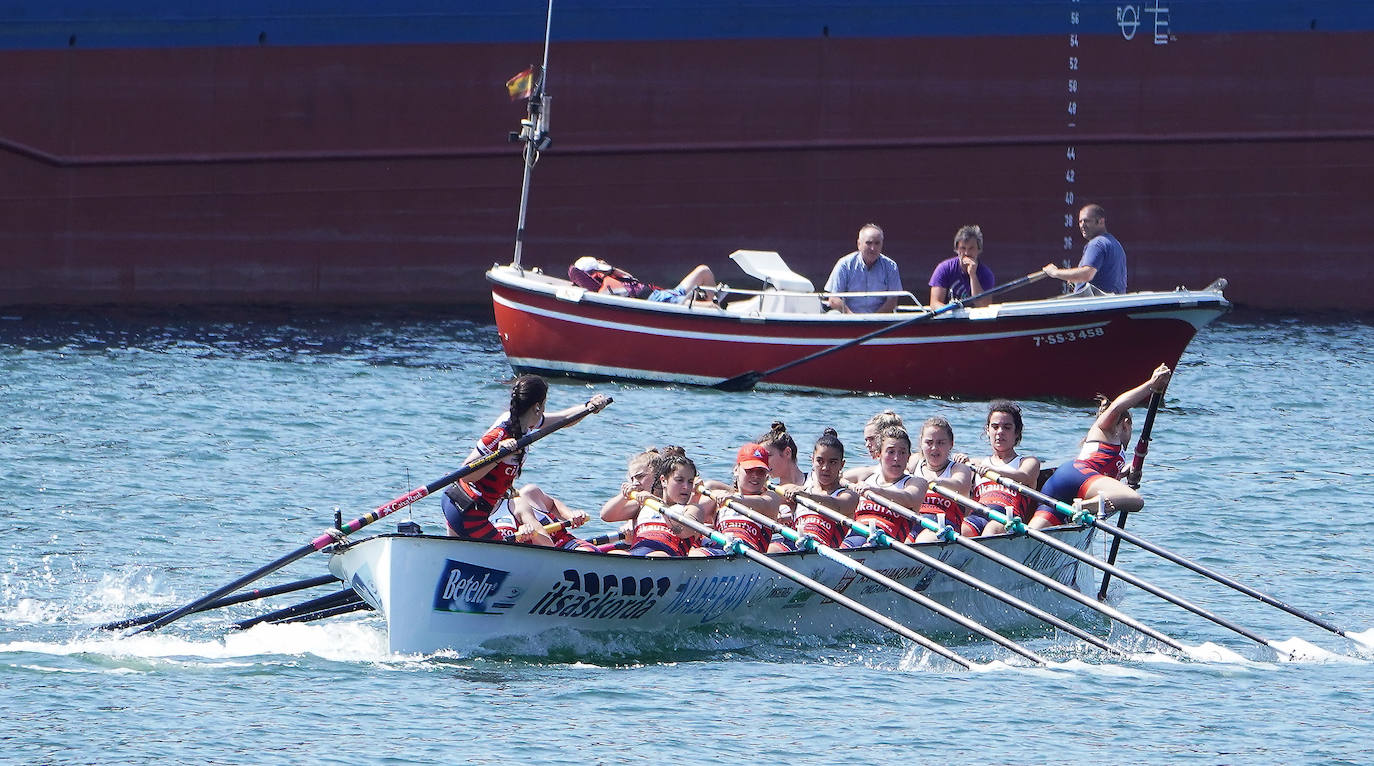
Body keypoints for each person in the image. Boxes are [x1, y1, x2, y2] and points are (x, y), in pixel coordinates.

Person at [441, 374, 610, 539]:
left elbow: (564, 419)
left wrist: (588, 407)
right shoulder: (502, 430)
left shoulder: (526, 423)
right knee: (505, 557)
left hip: (471, 508)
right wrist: (498, 456)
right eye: (545, 403)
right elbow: (466, 473)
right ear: (538, 406)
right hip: (467, 508)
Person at [1031, 364, 1172, 529]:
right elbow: (1117, 407)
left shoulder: (1111, 452)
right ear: (1126, 424)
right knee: (1135, 501)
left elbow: (1102, 470)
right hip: (1077, 475)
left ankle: (1076, 508)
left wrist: (1126, 472)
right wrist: (1150, 386)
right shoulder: (1105, 430)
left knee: (1031, 535)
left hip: (1062, 485)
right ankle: (1083, 507)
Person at [955, 401, 1041, 536]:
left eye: (1007, 427)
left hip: (1008, 518)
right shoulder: (975, 463)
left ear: (1017, 432)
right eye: (995, 427)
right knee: (960, 530)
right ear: (987, 431)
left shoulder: (1028, 462)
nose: (1000, 432)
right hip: (978, 516)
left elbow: (1024, 475)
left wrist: (993, 471)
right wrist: (957, 463)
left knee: (992, 530)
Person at [603, 447, 708, 557]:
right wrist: (625, 495)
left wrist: (658, 504)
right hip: (636, 554)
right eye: (679, 480)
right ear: (663, 481)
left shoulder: (694, 509)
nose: (686, 487)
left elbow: (682, 531)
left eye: (690, 482)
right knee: (615, 554)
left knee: (658, 555)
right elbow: (606, 516)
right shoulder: (644, 506)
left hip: (667, 557)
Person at [841, 425, 927, 548]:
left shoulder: (916, 482)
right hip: (857, 535)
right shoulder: (867, 476)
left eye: (902, 452)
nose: (896, 458)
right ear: (879, 454)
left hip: (888, 541)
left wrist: (875, 491)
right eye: (890, 452)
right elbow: (836, 478)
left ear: (908, 456)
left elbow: (909, 497)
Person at [774, 429, 859, 550]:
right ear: (812, 460)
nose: (825, 467)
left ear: (842, 464)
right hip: (795, 544)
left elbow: (837, 505)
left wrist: (808, 496)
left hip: (821, 551)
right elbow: (767, 499)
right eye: (820, 461)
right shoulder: (798, 489)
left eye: (833, 462)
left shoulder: (849, 496)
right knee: (772, 548)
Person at [700, 442, 781, 553]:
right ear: (736, 470)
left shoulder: (771, 497)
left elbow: (763, 503)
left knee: (698, 553)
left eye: (760, 471)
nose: (755, 475)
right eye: (749, 470)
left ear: (766, 475)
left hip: (747, 552)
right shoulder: (718, 497)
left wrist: (735, 498)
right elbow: (695, 512)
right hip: (721, 547)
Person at [906, 416, 978, 541]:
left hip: (945, 524)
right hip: (916, 522)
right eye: (929, 442)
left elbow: (960, 483)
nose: (934, 448)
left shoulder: (959, 468)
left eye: (940, 443)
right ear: (921, 443)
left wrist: (936, 482)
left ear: (951, 444)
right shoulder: (914, 463)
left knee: (924, 541)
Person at [1042, 203, 1128, 294]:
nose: (1082, 225)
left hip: (1096, 306)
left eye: (1086, 221)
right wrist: (1076, 280)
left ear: (1101, 221)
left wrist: (1054, 272)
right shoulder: (1115, 244)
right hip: (1112, 304)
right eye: (1080, 221)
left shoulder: (1096, 244)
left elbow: (1087, 274)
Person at [569, 256, 719, 305]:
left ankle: (709, 306)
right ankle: (709, 306)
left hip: (662, 296)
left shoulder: (610, 280)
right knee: (703, 270)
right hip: (659, 298)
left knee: (703, 270)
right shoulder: (609, 282)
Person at [823, 223, 903, 313]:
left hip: (880, 320)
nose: (873, 248)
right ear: (859, 244)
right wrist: (853, 318)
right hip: (848, 321)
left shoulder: (891, 267)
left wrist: (873, 320)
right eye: (868, 243)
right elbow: (833, 299)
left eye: (877, 243)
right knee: (833, 314)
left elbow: (892, 301)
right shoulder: (844, 264)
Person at [511, 484, 598, 551]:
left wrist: (570, 515)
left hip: (568, 544)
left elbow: (552, 504)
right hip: (538, 557)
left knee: (585, 553)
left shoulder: (529, 493)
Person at [928, 225, 996, 308]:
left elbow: (983, 306)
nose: (967, 253)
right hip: (949, 317)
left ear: (979, 250)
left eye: (971, 248)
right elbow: (935, 303)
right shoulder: (944, 269)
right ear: (957, 249)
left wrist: (973, 275)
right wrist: (954, 312)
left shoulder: (986, 274)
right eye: (963, 248)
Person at [843, 409, 904, 483]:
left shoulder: (907, 474)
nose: (867, 445)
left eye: (872, 439)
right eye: (866, 440)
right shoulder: (868, 472)